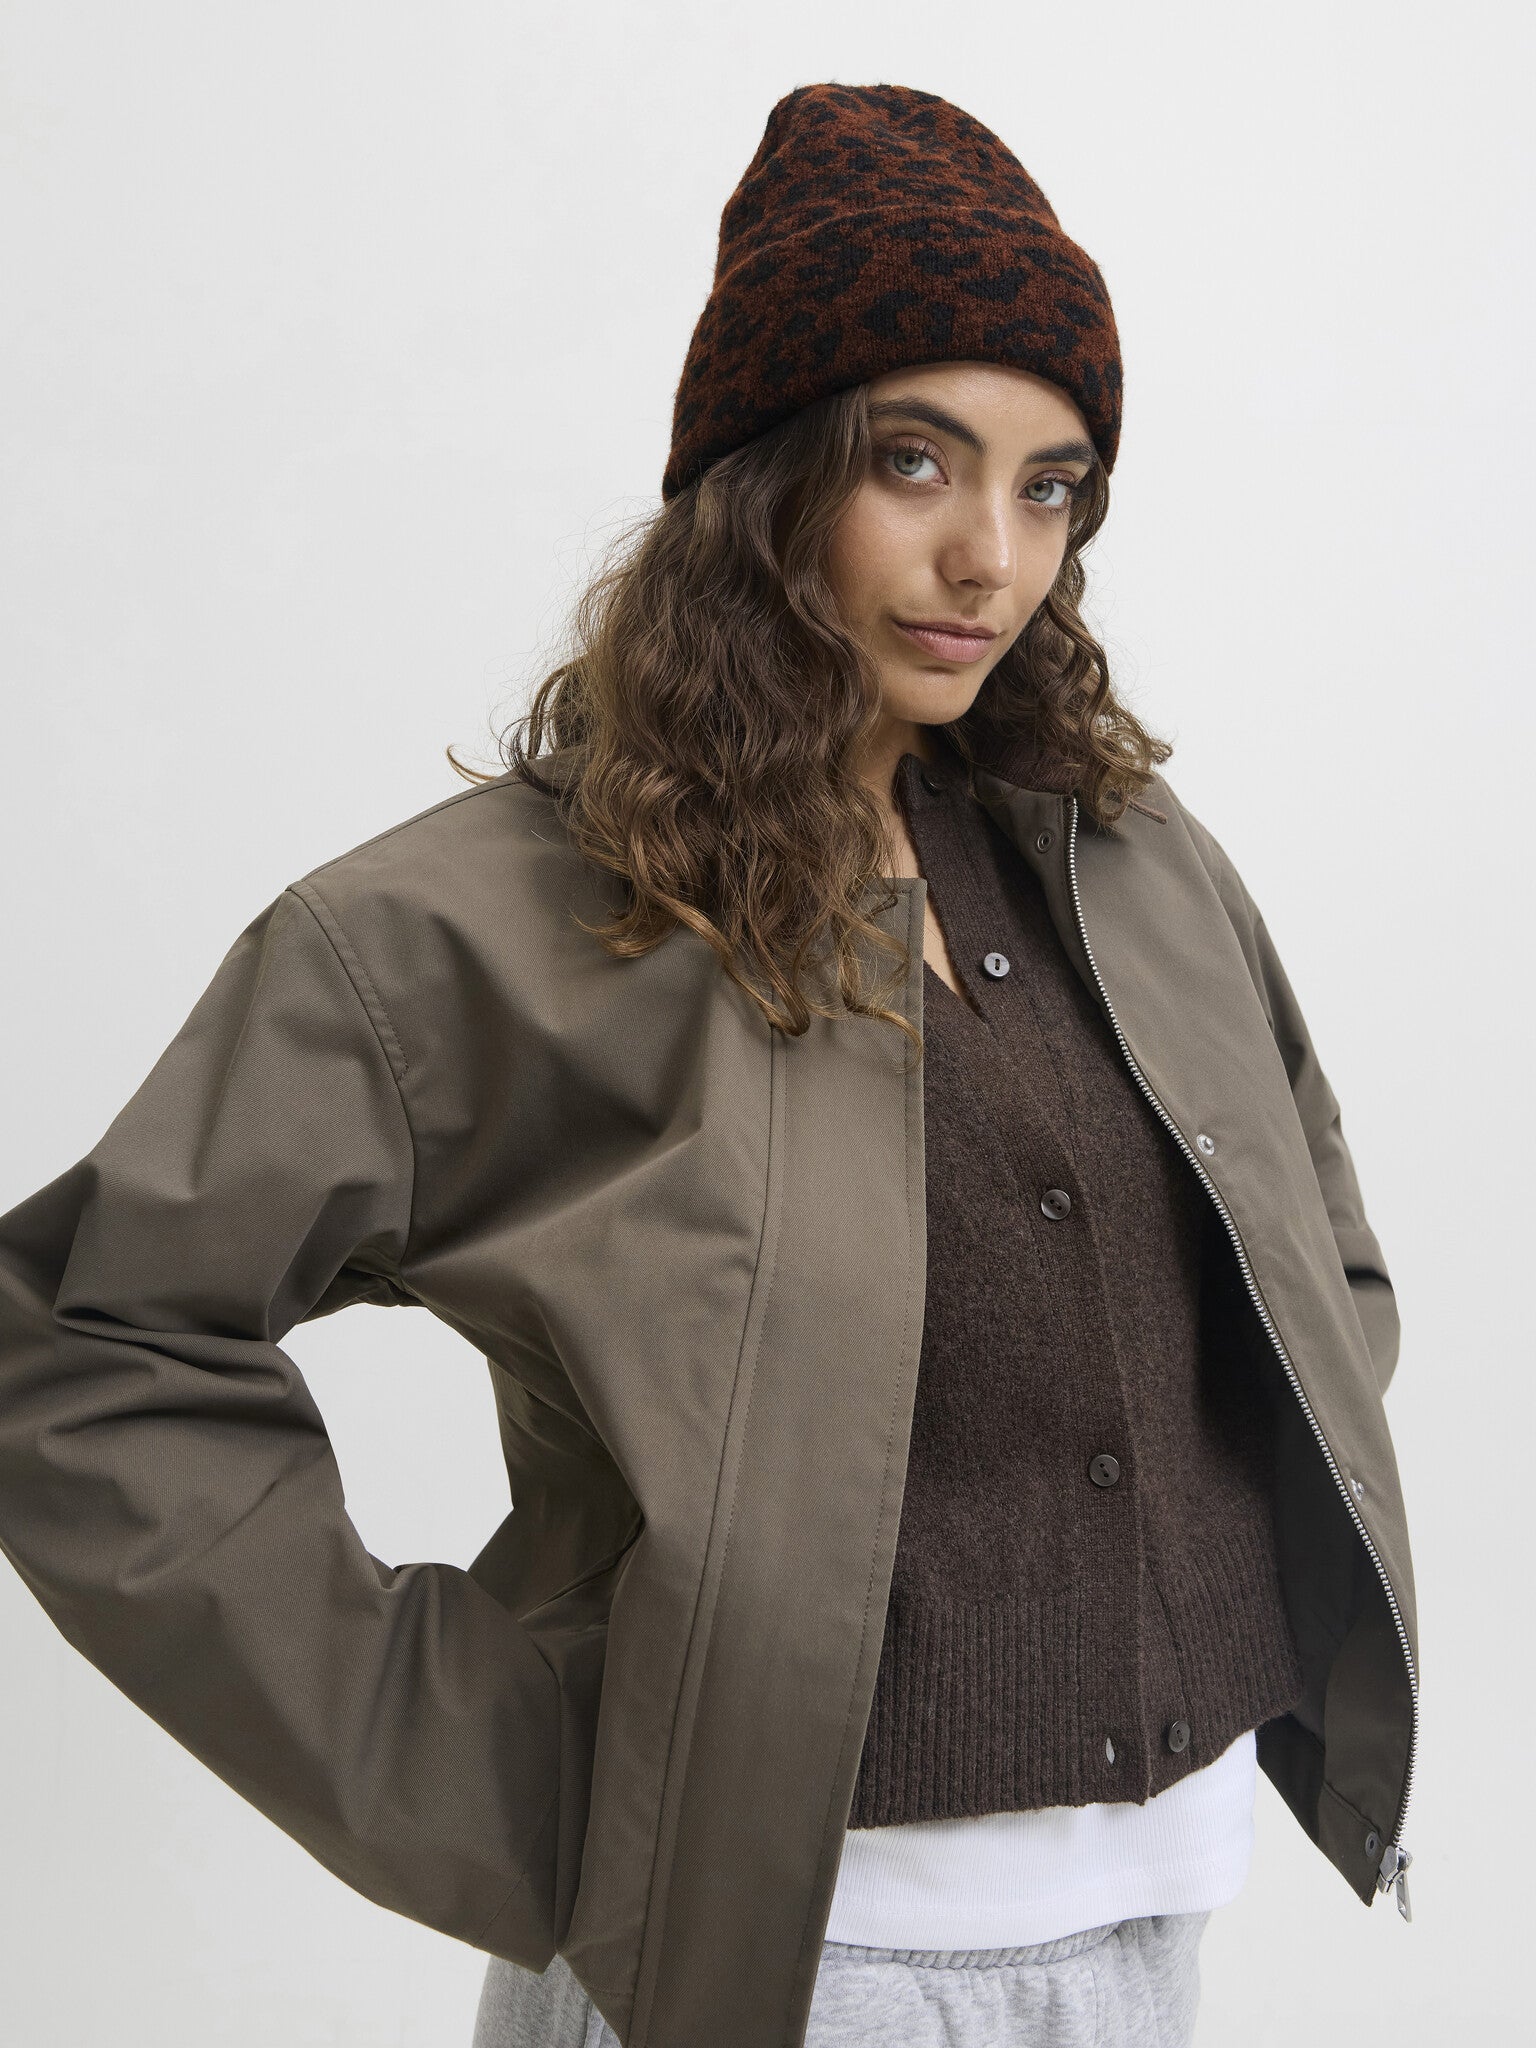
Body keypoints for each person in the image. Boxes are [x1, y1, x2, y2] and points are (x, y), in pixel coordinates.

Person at [0, 82, 1416, 2048]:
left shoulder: (1132, 858)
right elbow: (87, 1342)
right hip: (772, 1969)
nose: (988, 556)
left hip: (1152, 1936)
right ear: (764, 472)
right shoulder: (492, 927)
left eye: (1050, 485)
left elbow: (1319, 1268)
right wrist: (478, 1752)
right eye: (913, 461)